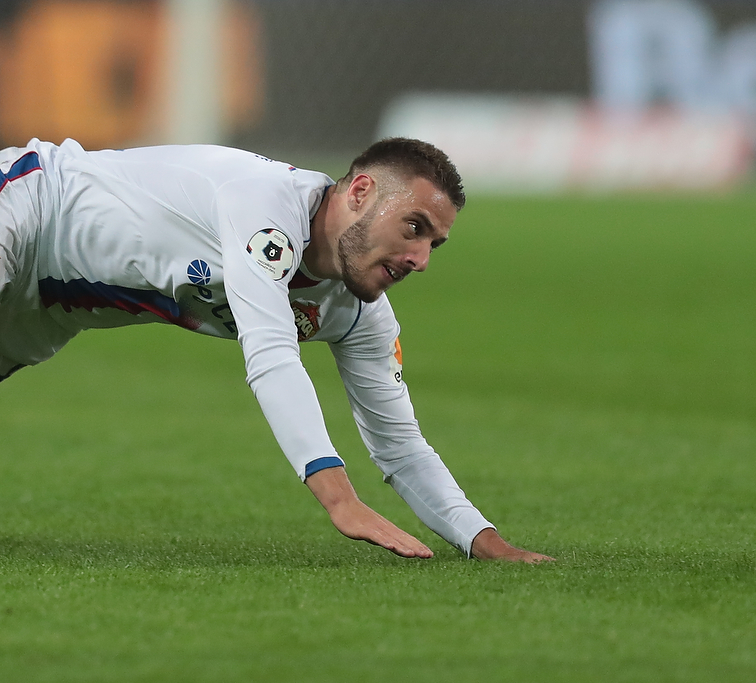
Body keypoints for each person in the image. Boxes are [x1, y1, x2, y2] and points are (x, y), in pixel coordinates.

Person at [0, 136, 552, 563]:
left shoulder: (359, 312)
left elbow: (400, 445)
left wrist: (485, 542)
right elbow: (271, 356)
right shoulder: (266, 206)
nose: (421, 259)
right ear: (360, 192)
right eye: (414, 227)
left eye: (434, 243)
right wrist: (340, 499)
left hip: (53, 309)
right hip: (30, 202)